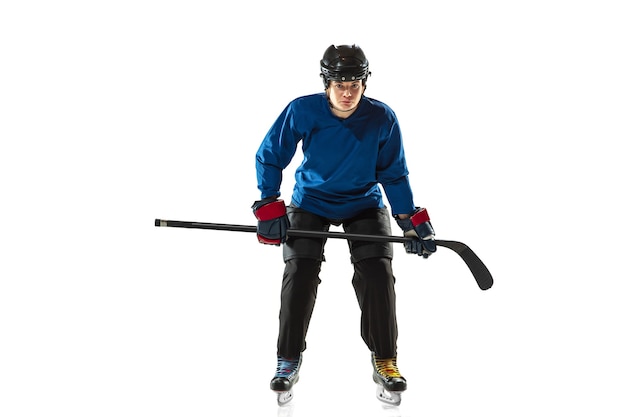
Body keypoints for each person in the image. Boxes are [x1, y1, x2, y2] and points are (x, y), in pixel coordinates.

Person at [252, 44, 436, 405]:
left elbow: (394, 174)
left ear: (365, 82)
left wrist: (408, 221)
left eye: (354, 83)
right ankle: (287, 358)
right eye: (339, 84)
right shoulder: (302, 109)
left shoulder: (382, 118)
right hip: (311, 201)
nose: (347, 92)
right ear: (326, 83)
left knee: (377, 272)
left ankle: (385, 359)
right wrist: (269, 201)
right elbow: (270, 154)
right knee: (300, 270)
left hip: (363, 203)